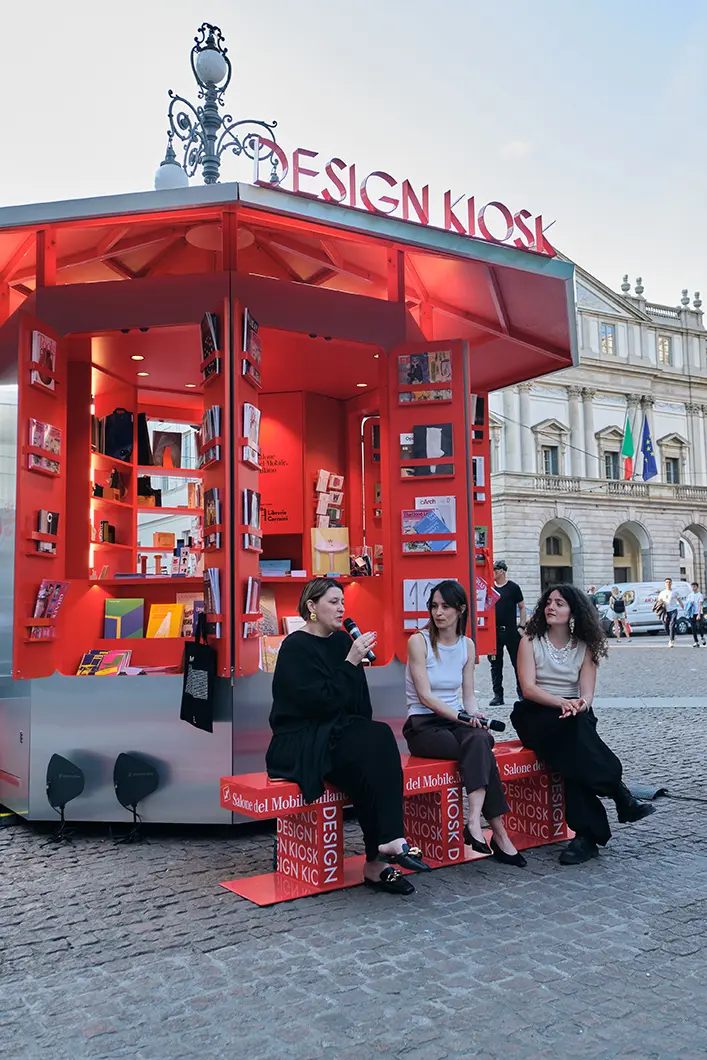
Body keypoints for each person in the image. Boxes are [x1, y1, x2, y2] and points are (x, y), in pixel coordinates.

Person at [266, 578, 430, 896]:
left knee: (378, 739)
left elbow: (356, 702)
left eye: (343, 601)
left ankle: (382, 853)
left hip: (338, 728)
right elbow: (315, 703)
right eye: (333, 601)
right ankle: (382, 855)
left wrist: (352, 666)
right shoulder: (294, 647)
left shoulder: (343, 642)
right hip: (302, 736)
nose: (341, 607)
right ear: (311, 607)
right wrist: (351, 663)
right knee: (370, 748)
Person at [511, 584, 655, 866]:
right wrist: (561, 703)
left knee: (573, 750)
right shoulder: (529, 640)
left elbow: (587, 693)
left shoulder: (585, 645)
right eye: (548, 602)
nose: (551, 607)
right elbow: (528, 688)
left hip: (572, 715)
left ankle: (586, 836)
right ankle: (618, 791)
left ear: (573, 611)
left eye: (559, 604)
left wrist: (579, 704)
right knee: (575, 734)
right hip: (536, 713)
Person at [403, 580, 526, 867]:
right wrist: (463, 718)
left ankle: (473, 822)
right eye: (434, 606)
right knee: (480, 745)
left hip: (457, 722)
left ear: (460, 610)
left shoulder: (467, 645)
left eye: (445, 606)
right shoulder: (418, 641)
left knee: (480, 739)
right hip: (423, 725)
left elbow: (468, 696)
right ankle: (497, 833)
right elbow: (426, 697)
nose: (438, 612)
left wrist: (477, 716)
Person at [488, 559, 526, 706]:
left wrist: (521, 626)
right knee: (495, 665)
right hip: (494, 632)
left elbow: (522, 607)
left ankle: (522, 693)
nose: (492, 573)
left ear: (501, 571)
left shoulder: (513, 588)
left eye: (494, 570)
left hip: (510, 631)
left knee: (518, 663)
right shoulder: (490, 588)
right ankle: (498, 695)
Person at [657, 578, 684, 647]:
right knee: (666, 626)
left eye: (669, 582)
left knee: (672, 624)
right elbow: (659, 601)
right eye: (666, 582)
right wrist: (659, 606)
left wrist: (682, 606)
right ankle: (672, 635)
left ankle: (671, 641)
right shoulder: (662, 592)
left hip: (673, 610)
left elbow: (679, 600)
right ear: (665, 584)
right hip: (665, 611)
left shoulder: (675, 592)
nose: (668, 583)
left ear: (671, 583)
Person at [685, 581, 706, 647]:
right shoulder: (690, 596)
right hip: (692, 613)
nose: (693, 588)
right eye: (692, 587)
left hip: (698, 613)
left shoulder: (700, 595)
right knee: (693, 628)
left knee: (700, 626)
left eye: (695, 587)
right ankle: (696, 642)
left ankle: (702, 637)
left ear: (697, 587)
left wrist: (699, 614)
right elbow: (687, 605)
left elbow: (700, 605)